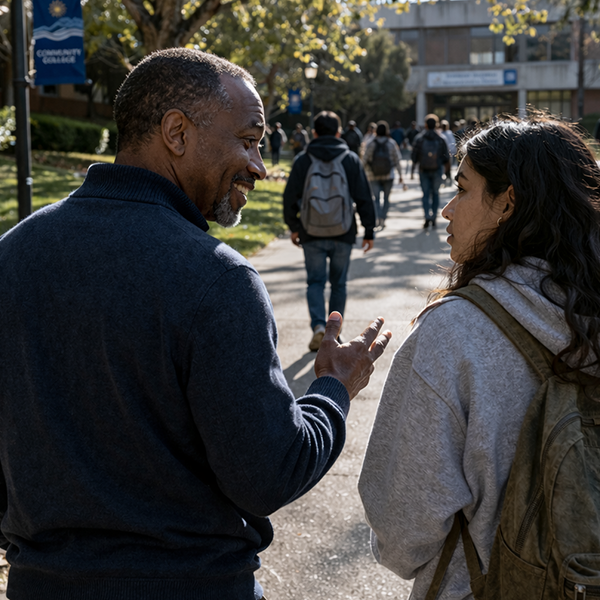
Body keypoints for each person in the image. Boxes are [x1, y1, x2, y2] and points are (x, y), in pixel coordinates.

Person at [0, 48, 393, 600]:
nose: (259, 165)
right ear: (177, 133)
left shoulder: (12, 255)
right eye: (249, 140)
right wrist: (334, 388)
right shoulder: (218, 280)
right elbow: (269, 473)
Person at [358, 114, 600, 599]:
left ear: (507, 201)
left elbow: (403, 531)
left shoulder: (454, 331)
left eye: (463, 189)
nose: (447, 210)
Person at [283, 111, 376, 352]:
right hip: (343, 232)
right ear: (338, 132)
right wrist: (369, 230)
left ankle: (317, 327)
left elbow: (290, 196)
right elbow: (364, 197)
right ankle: (333, 333)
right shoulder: (350, 159)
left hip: (310, 231)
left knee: (315, 281)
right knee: (339, 284)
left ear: (314, 133)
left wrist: (294, 227)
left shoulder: (303, 160)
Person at [362, 120, 403, 229]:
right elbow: (397, 160)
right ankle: (383, 218)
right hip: (388, 175)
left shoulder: (371, 143)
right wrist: (401, 175)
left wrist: (363, 173)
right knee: (386, 199)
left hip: (373, 175)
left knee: (375, 199)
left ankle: (378, 218)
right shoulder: (391, 143)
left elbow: (365, 159)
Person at [411, 113, 449, 228]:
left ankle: (427, 216)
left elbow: (414, 156)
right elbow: (446, 157)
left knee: (425, 194)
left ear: (426, 125)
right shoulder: (441, 138)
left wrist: (413, 170)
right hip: (437, 169)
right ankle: (434, 218)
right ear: (436, 125)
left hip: (423, 170)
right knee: (436, 194)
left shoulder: (420, 138)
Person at [440, 119, 457, 185]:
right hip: (444, 153)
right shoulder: (441, 133)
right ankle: (445, 179)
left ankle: (448, 179)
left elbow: (452, 143)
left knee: (447, 167)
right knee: (444, 167)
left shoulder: (448, 133)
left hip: (447, 153)